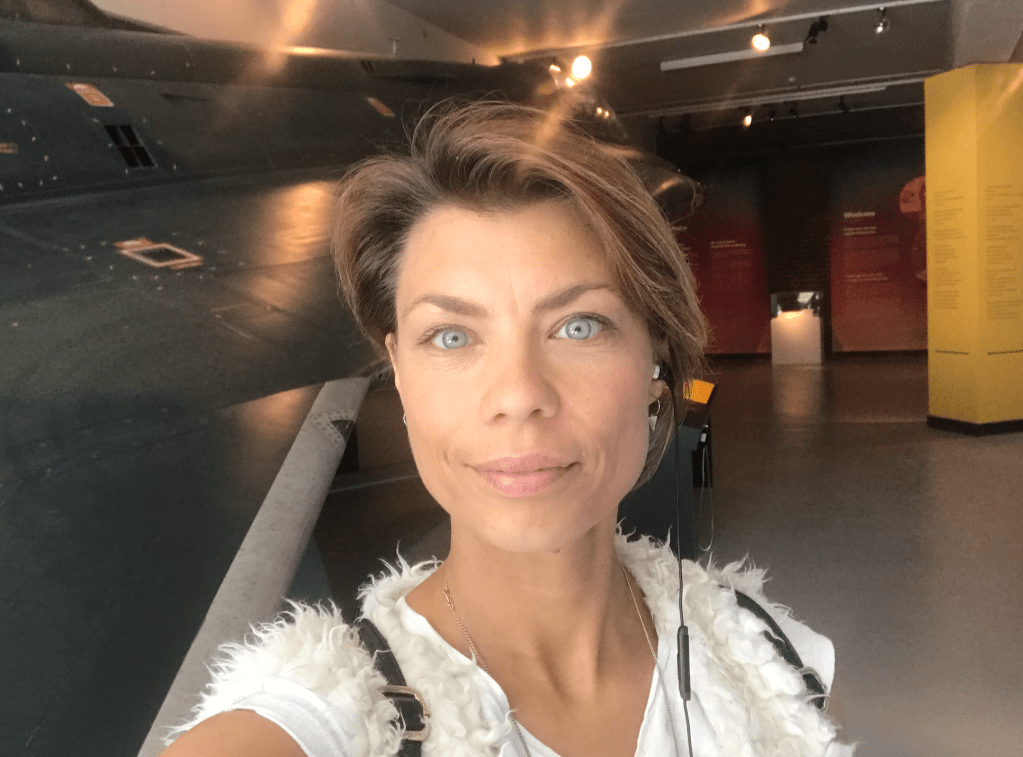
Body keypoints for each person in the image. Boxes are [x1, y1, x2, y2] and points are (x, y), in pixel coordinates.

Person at [161, 100, 853, 757]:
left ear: (656, 361)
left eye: (578, 326)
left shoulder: (779, 664)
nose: (519, 395)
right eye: (451, 335)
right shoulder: (326, 717)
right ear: (398, 371)